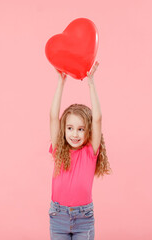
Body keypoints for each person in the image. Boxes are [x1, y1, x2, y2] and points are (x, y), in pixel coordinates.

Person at [48, 61, 112, 240]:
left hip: (83, 218)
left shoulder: (90, 151)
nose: (74, 134)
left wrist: (91, 83)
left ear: (88, 131)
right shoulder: (58, 149)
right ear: (64, 129)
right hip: (58, 216)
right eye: (70, 128)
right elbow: (53, 117)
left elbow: (98, 118)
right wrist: (61, 82)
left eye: (80, 129)